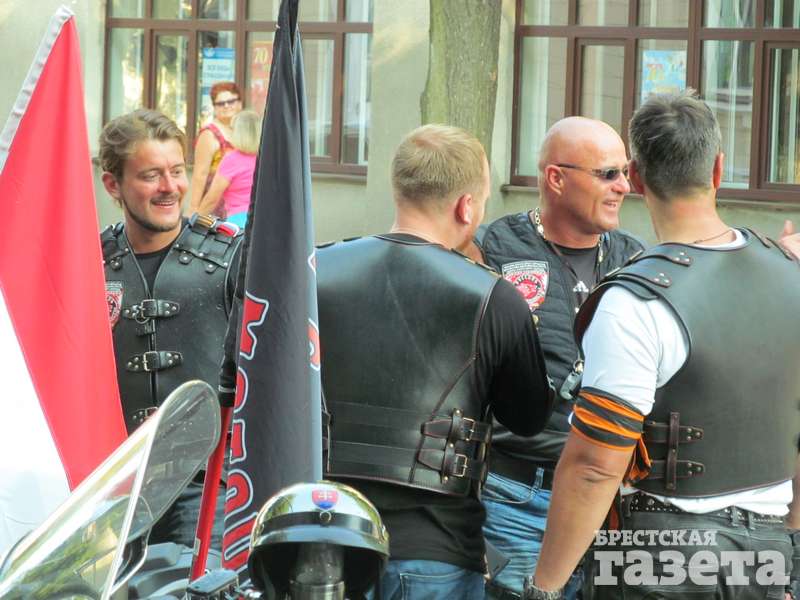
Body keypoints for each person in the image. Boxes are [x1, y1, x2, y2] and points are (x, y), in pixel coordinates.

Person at [526, 90, 800, 600]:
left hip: (656, 556)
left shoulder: (634, 301)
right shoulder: (792, 277)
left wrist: (543, 589)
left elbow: (594, 467)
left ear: (635, 176)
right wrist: (791, 559)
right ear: (718, 169)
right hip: (767, 554)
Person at [316, 124, 554, 600]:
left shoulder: (314, 270)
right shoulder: (494, 297)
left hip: (321, 536)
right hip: (434, 549)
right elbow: (529, 418)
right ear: (466, 206)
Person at [478, 117, 644, 599]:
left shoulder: (636, 260)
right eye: (608, 174)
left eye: (625, 172)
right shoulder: (494, 248)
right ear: (556, 178)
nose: (623, 186)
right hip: (515, 497)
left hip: (610, 506)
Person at [99, 108, 244, 549]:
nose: (170, 187)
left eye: (177, 171)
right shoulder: (89, 263)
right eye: (151, 175)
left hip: (207, 490)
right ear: (113, 184)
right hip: (109, 491)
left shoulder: (231, 259)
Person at [198, 109, 261, 228]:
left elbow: (211, 199)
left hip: (238, 223)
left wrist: (194, 223)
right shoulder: (266, 158)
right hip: (263, 221)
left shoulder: (231, 160)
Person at [189, 81, 243, 216]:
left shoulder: (242, 131)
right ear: (214, 107)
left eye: (231, 101)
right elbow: (200, 175)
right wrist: (193, 211)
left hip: (238, 208)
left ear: (239, 103)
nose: (226, 106)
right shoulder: (209, 134)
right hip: (214, 210)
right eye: (220, 103)